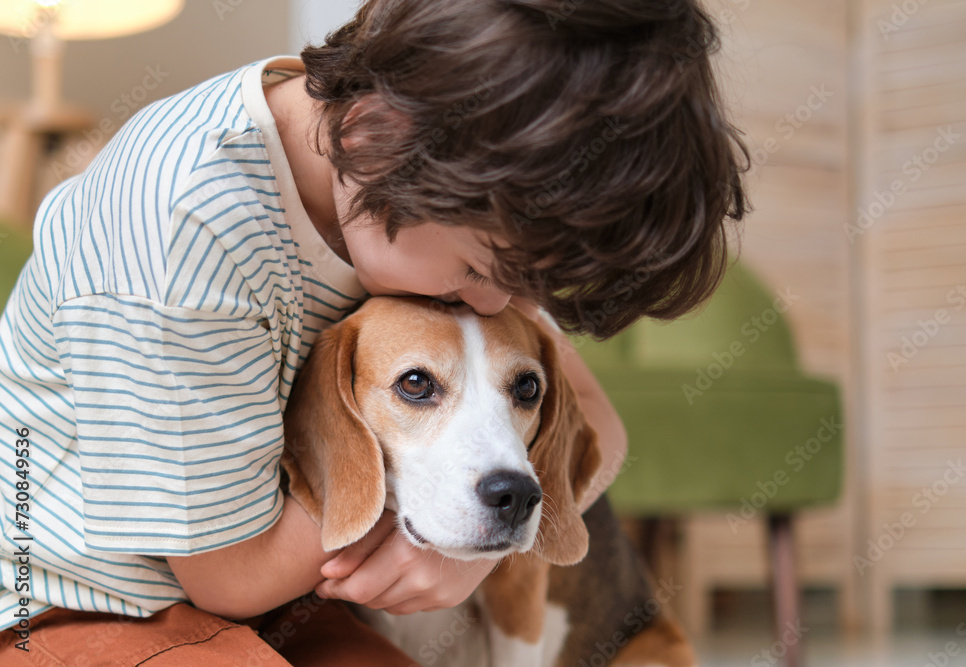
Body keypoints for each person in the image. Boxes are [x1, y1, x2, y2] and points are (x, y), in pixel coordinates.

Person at [0, 0, 748, 663]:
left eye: (530, 282)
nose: (500, 306)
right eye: (486, 269)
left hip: (286, 605)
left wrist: (473, 550)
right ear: (373, 133)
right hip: (67, 601)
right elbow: (229, 578)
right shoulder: (181, 224)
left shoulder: (444, 189)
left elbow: (596, 426)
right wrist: (433, 506)